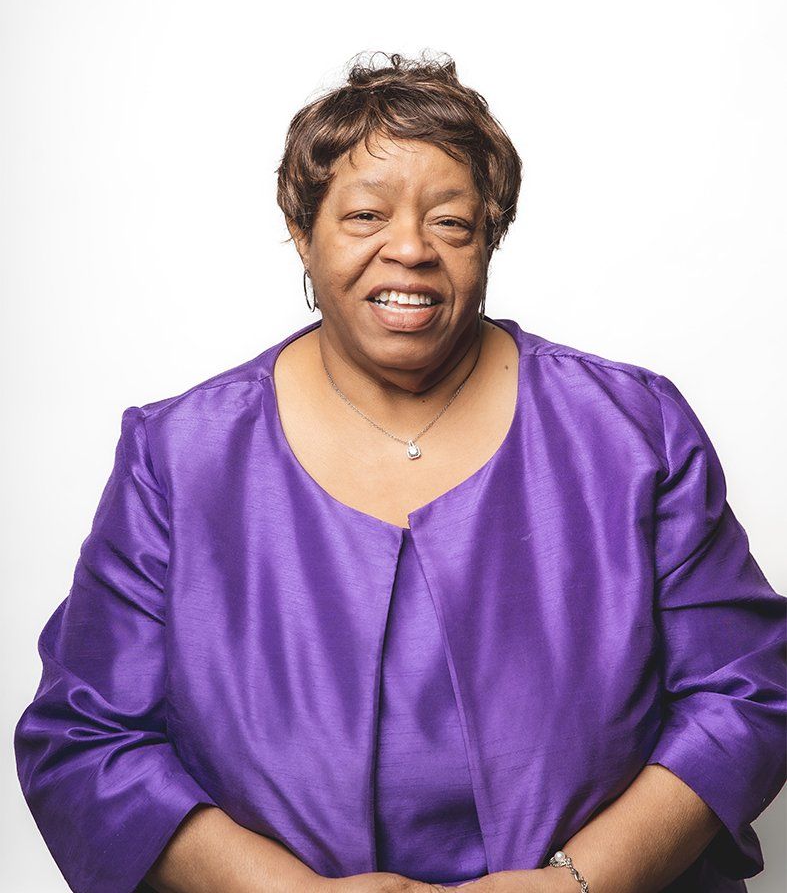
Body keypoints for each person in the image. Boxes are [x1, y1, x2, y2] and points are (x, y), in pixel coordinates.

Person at [14, 51, 786, 893]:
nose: (410, 249)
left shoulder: (632, 429)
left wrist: (575, 883)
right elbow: (85, 742)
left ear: (489, 239)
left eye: (450, 222)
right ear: (302, 232)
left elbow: (746, 693)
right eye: (364, 216)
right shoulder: (178, 455)